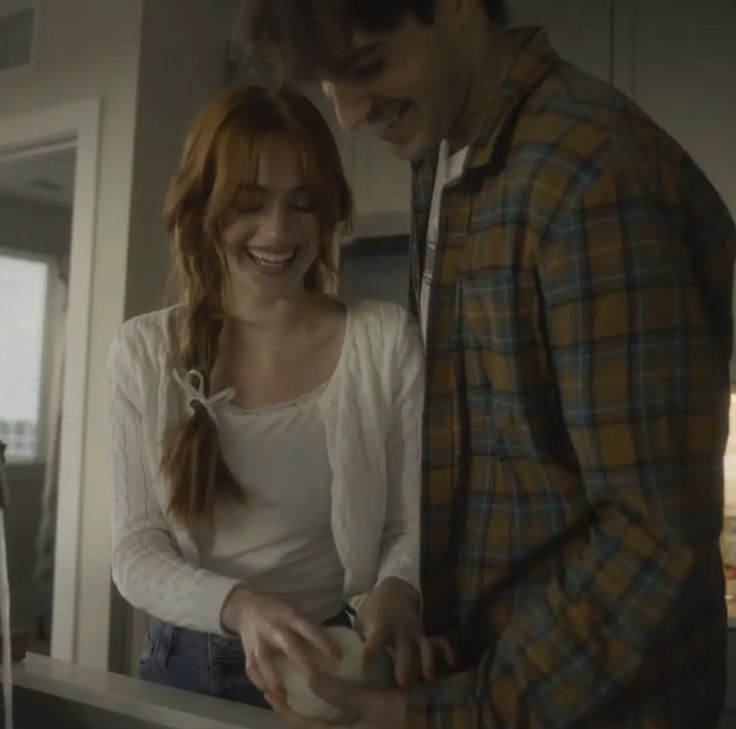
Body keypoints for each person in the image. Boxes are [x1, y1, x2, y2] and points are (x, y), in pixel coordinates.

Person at [237, 1, 736, 727]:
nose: (345, 116)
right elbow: (491, 458)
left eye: (369, 66)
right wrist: (405, 594)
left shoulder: (590, 176)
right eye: (327, 83)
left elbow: (651, 538)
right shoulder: (441, 154)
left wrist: (446, 713)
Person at [105, 84, 442, 710]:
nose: (279, 231)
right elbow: (135, 552)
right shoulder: (144, 352)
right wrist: (241, 607)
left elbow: (408, 523)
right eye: (249, 205)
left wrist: (398, 592)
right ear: (201, 208)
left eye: (303, 204)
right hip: (190, 668)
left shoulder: (385, 340)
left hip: (333, 662)